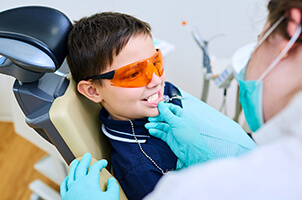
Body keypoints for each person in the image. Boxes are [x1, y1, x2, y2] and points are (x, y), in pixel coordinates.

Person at [62, 12, 257, 200]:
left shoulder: (158, 97)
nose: (156, 80)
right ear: (93, 91)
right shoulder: (142, 168)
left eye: (156, 63)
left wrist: (200, 156)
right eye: (133, 74)